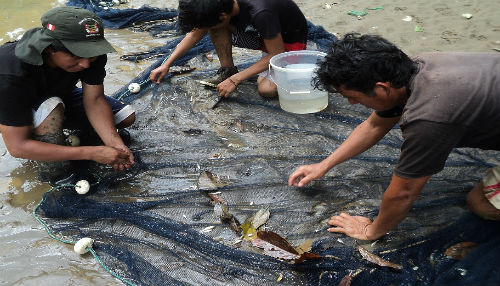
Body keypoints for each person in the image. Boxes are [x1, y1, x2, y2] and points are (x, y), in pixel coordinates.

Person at [288, 33, 500, 241]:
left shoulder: (428, 119)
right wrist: (324, 165)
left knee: (479, 203)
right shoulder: (419, 65)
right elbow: (373, 125)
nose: (352, 104)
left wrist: (371, 231)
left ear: (381, 89)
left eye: (353, 97)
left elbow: (404, 193)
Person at [0, 6, 136, 185]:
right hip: (16, 102)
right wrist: (91, 153)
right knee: (52, 111)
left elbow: (94, 100)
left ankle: (58, 142)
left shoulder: (90, 55)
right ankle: (49, 154)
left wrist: (115, 144)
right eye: (77, 56)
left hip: (58, 93)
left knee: (126, 117)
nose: (86, 64)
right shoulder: (10, 71)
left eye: (91, 55)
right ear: (50, 48)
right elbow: (17, 148)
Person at [149, 0, 308, 98]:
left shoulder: (261, 12)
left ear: (224, 16)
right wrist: (167, 64)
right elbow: (194, 35)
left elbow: (277, 53)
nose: (203, 30)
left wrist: (236, 80)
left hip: (287, 43)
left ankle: (300, 72)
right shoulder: (217, 6)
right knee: (215, 27)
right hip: (260, 35)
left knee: (266, 90)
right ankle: (228, 70)